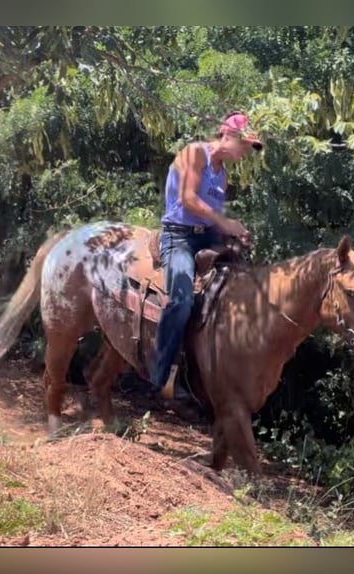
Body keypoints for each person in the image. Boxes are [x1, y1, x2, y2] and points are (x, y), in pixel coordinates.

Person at [151, 111, 263, 404]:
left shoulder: (222, 175)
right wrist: (225, 223)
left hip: (205, 235)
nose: (246, 152)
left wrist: (234, 233)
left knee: (245, 281)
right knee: (181, 299)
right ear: (228, 135)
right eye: (245, 144)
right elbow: (187, 199)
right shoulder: (195, 153)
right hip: (178, 235)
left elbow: (214, 218)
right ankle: (160, 376)